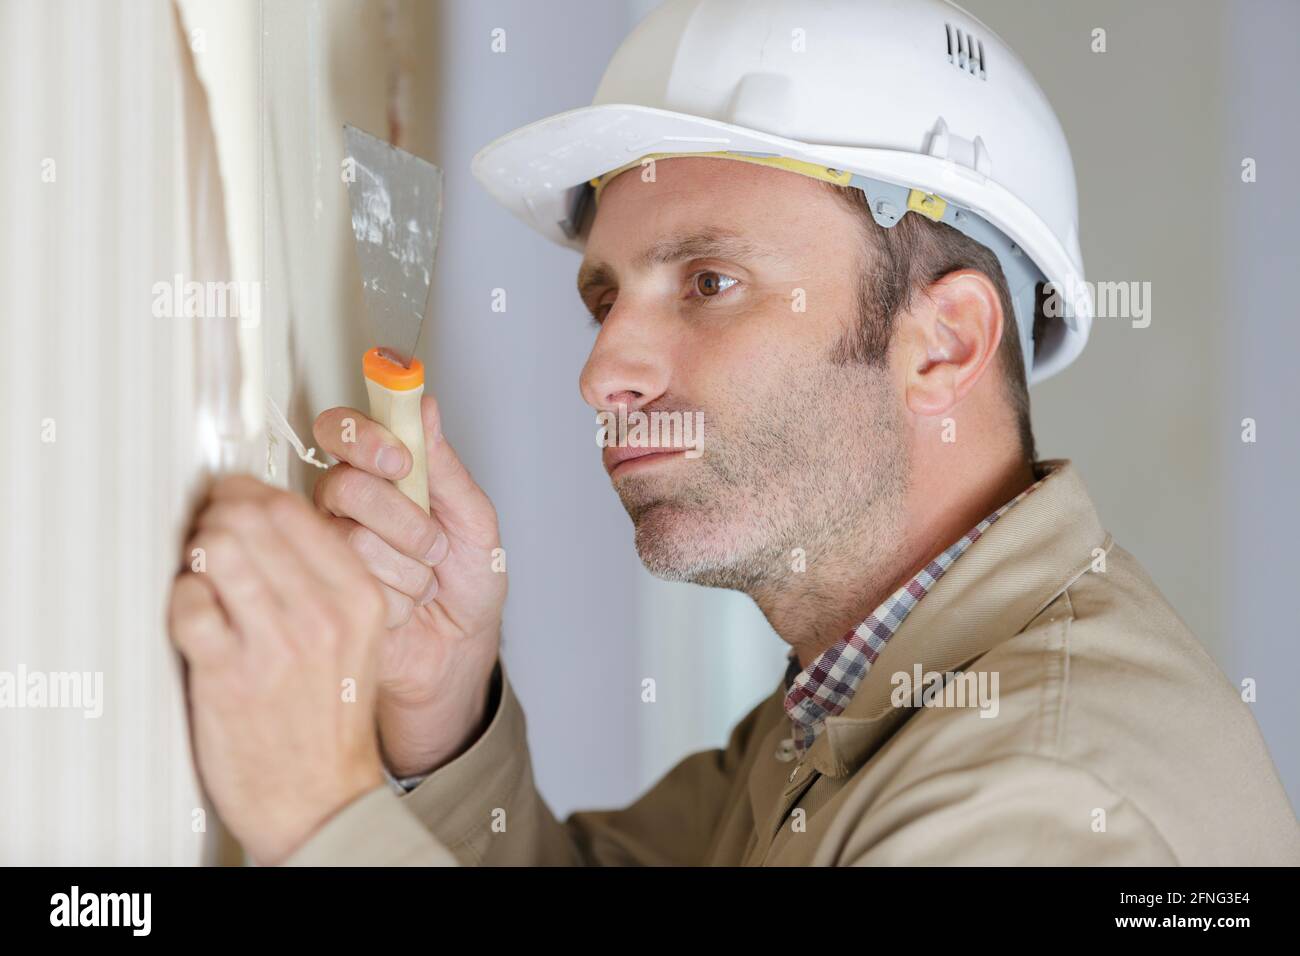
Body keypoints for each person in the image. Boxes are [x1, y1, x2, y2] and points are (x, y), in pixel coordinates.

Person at [167, 0, 1300, 865]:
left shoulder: (1037, 798)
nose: (604, 368)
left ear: (944, 343)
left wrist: (321, 811)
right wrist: (441, 707)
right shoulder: (856, 695)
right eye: (605, 297)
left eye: (708, 280)